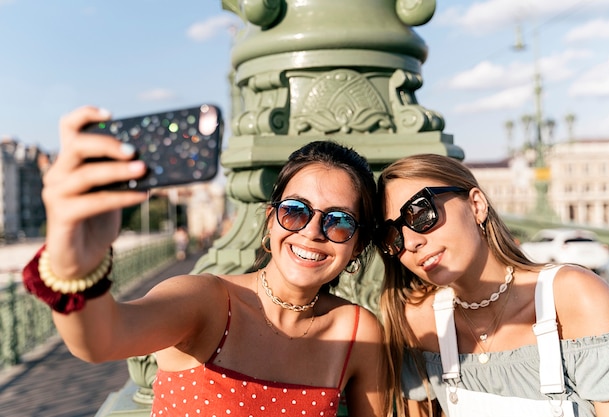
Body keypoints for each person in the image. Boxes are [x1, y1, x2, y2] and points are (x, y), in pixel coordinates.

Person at [22, 106, 390, 417]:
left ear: (357, 246)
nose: (311, 232)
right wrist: (76, 269)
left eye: (338, 221)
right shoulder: (208, 302)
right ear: (269, 219)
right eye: (295, 212)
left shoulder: (357, 332)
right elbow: (100, 340)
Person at [375, 153, 609, 417]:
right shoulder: (420, 322)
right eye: (392, 235)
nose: (411, 242)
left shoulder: (573, 296)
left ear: (476, 205)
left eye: (420, 213)